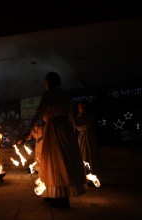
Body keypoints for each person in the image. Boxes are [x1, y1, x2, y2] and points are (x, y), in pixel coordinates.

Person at [20, 71, 88, 208]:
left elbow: (39, 113)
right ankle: (60, 196)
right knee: (65, 162)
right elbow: (71, 117)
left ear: (49, 82)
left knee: (54, 163)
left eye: (45, 82)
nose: (45, 84)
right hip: (66, 130)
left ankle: (60, 197)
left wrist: (28, 131)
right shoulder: (65, 95)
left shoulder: (49, 94)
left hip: (54, 130)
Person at [75, 101, 103, 179]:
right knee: (83, 154)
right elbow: (78, 126)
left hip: (89, 137)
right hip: (82, 137)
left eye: (81, 107)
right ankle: (84, 172)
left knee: (90, 153)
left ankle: (92, 172)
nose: (79, 109)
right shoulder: (78, 116)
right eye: (79, 107)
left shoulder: (88, 116)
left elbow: (84, 125)